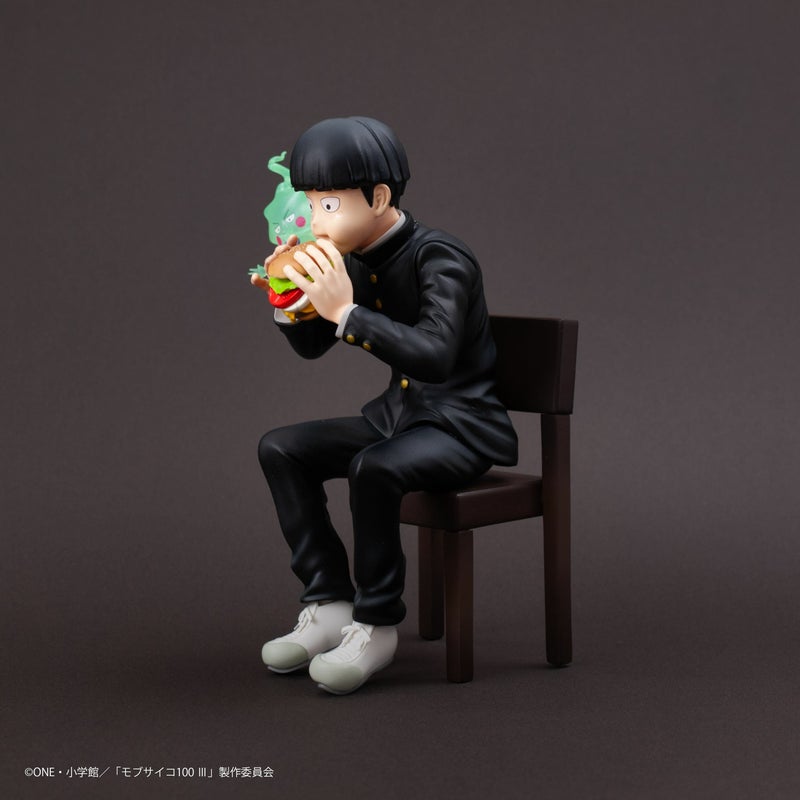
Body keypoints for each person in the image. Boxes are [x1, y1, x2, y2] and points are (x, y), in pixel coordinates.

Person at [255, 116, 518, 695]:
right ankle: (329, 603)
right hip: (397, 418)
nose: (315, 219)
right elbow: (312, 347)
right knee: (282, 449)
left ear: (377, 198)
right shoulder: (352, 257)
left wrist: (347, 313)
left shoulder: (441, 258)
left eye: (329, 204)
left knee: (372, 468)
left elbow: (436, 357)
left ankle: (376, 624)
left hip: (460, 427)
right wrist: (290, 299)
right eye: (310, 203)